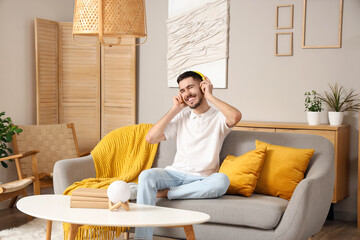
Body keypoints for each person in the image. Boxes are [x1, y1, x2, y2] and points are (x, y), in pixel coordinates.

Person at [134, 71, 242, 240]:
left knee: (222, 181)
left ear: (202, 86)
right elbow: (150, 138)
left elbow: (235, 116)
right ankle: (142, 239)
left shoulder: (218, 118)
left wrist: (210, 96)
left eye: (190, 87)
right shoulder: (182, 117)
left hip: (203, 178)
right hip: (175, 174)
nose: (186, 94)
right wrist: (175, 109)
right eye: (182, 90)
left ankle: (164, 193)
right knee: (147, 175)